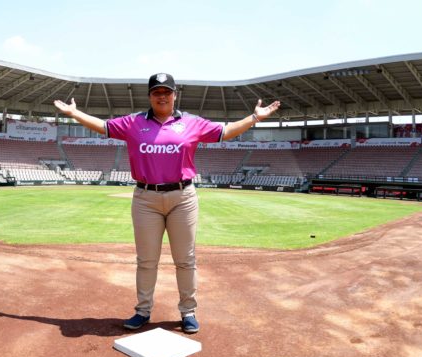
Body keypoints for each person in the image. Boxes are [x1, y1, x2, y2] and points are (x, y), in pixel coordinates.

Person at [54, 73, 281, 333]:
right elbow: (103, 126)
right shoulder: (134, 122)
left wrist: (254, 118)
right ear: (150, 96)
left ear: (174, 95)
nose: (161, 96)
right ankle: (143, 311)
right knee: (146, 260)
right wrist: (75, 113)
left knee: (185, 259)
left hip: (182, 198)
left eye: (166, 92)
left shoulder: (191, 122)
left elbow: (225, 131)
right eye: (156, 92)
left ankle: (188, 311)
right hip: (145, 198)